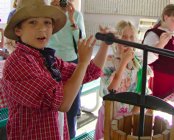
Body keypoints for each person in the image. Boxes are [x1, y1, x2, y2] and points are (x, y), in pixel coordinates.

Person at [2, 0, 109, 139]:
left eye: (47, 22)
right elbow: (62, 103)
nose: (42, 29)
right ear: (18, 30)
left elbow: (90, 72)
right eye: (33, 22)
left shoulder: (47, 58)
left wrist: (106, 44)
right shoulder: (18, 63)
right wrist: (82, 62)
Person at [94, 20, 154, 140]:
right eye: (124, 37)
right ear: (117, 41)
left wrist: (133, 116)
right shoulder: (108, 62)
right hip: (109, 115)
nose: (128, 41)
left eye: (131, 37)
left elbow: (143, 93)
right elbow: (110, 90)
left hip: (129, 118)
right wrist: (123, 63)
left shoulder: (139, 65)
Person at [49, 0, 85, 138]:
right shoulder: (48, 13)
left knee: (72, 105)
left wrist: (71, 19)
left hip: (71, 61)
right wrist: (52, 13)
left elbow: (81, 40)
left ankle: (70, 135)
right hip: (50, 61)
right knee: (52, 103)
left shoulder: (76, 15)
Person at [142, 4, 174, 99]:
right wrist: (161, 44)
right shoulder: (154, 34)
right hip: (161, 81)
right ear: (165, 17)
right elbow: (145, 58)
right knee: (160, 107)